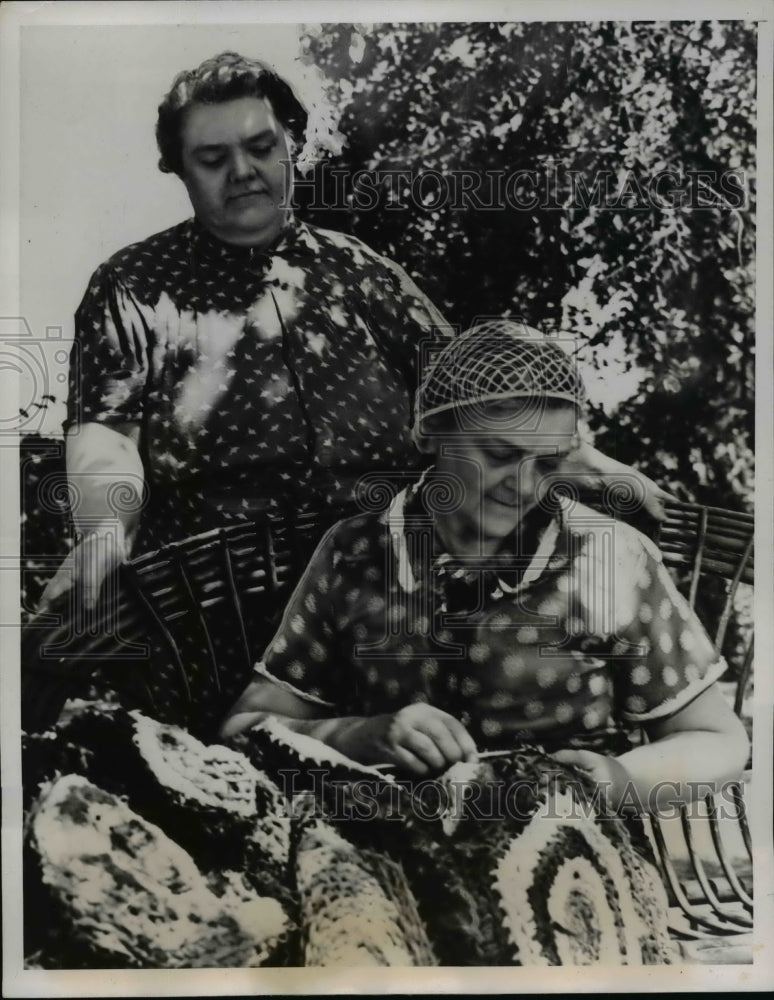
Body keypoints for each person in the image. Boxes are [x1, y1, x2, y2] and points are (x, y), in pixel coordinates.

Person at [36, 52, 668, 730]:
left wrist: (606, 474)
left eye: (260, 146)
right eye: (213, 157)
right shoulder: (134, 285)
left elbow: (487, 404)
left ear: (294, 142)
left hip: (392, 596)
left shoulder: (365, 274)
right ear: (177, 168)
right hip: (223, 612)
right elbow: (106, 435)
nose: (243, 171)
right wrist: (103, 536)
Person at [220, 321, 749, 964]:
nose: (524, 485)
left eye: (549, 462)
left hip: (580, 875)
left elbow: (720, 740)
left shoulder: (608, 557)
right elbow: (242, 730)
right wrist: (364, 735)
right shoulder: (357, 552)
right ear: (432, 434)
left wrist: (616, 778)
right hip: (393, 873)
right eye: (497, 454)